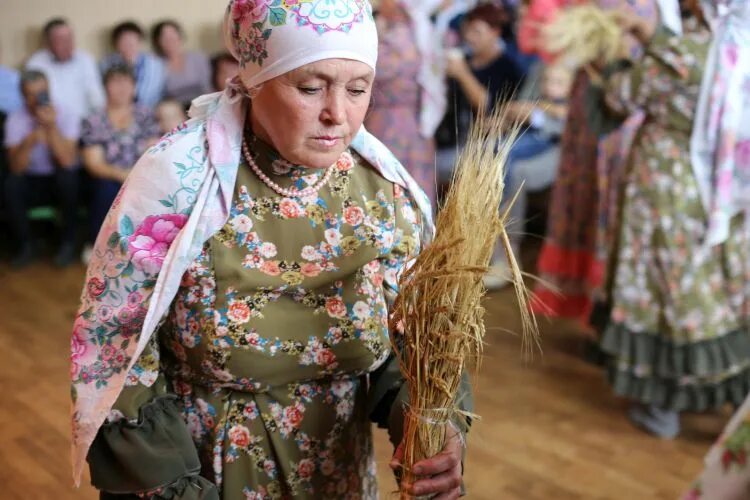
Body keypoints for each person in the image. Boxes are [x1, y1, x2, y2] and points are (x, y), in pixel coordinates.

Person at [71, 0, 471, 498]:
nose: (337, 115)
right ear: (255, 80)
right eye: (310, 87)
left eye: (358, 89)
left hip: (338, 465)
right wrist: (173, 485)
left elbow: (411, 333)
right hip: (209, 465)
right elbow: (117, 349)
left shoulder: (381, 189)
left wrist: (432, 421)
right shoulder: (180, 182)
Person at [597, 0, 750, 439]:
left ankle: (663, 407)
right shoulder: (733, 48)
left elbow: (620, 96)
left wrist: (609, 59)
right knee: (717, 290)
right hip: (723, 187)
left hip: (668, 185)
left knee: (665, 291)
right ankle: (737, 397)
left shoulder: (679, 58)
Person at [485, 62, 572, 289]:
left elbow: (565, 125)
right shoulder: (539, 74)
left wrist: (536, 115)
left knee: (513, 171)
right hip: (527, 141)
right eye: (548, 81)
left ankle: (507, 253)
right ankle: (486, 245)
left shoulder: (566, 100)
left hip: (559, 151)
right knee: (489, 155)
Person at [366, 0, 446, 206]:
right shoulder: (420, 35)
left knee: (389, 190)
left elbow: (370, 72)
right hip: (415, 123)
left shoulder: (397, 40)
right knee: (416, 188)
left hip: (389, 125)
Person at [435, 3, 524, 184]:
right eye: (467, 31)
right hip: (449, 140)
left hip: (484, 144)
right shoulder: (463, 60)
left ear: (495, 33)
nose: (469, 37)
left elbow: (488, 106)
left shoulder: (507, 68)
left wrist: (463, 75)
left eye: (477, 32)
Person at [4, 70, 79, 267]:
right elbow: (15, 168)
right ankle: (25, 245)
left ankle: (68, 244)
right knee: (11, 184)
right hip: (31, 180)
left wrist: (51, 127)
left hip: (57, 179)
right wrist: (32, 137)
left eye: (42, 93)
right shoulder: (15, 119)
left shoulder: (67, 113)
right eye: (31, 94)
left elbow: (67, 161)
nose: (37, 99)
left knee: (69, 179)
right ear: (23, 96)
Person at [80, 65, 160, 249]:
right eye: (115, 82)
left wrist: (136, 176)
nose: (122, 87)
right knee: (105, 189)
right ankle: (99, 245)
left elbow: (155, 150)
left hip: (142, 174)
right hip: (108, 176)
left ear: (134, 87)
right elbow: (94, 163)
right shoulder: (93, 120)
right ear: (105, 87)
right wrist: (123, 175)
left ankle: (147, 245)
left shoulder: (146, 115)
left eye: (126, 82)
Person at [26, 18, 105, 123]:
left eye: (70, 38)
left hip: (85, 123)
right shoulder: (35, 63)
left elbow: (96, 96)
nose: (68, 43)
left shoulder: (85, 59)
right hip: (52, 124)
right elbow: (35, 100)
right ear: (47, 43)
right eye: (61, 39)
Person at [101, 21, 166, 107]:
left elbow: (148, 94)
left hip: (149, 108)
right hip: (117, 108)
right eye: (123, 40)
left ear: (139, 41)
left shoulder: (154, 63)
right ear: (116, 44)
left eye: (132, 39)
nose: (128, 44)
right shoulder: (107, 63)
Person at [152, 20, 212, 108]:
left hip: (202, 103)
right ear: (158, 42)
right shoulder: (157, 64)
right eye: (164, 37)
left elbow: (208, 87)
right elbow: (160, 95)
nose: (170, 40)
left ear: (180, 36)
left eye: (173, 35)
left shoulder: (198, 58)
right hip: (175, 108)